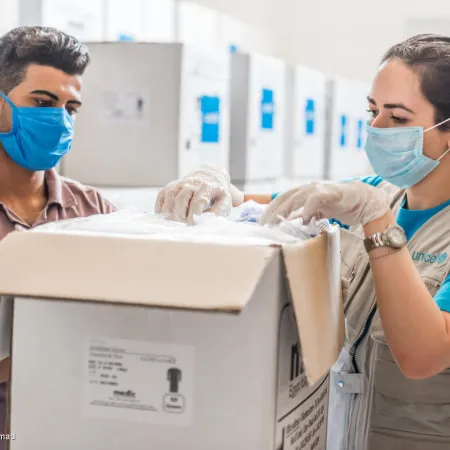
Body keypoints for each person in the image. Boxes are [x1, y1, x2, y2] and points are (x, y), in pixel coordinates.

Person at [156, 34, 450, 449]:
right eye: (372, 110)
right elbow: (265, 206)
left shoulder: (373, 207)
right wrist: (217, 184)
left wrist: (378, 223)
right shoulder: (377, 194)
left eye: (397, 119)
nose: (376, 129)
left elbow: (423, 355)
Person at [0, 26, 118, 441]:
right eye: (43, 102)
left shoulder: (94, 210)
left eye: (71, 109)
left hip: (73, 421)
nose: (60, 119)